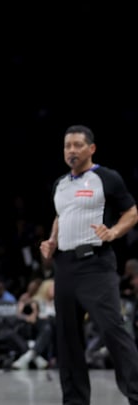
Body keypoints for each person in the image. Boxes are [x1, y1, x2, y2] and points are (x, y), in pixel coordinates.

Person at [39, 124, 138, 404]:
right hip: (65, 267)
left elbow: (132, 211)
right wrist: (52, 240)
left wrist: (114, 232)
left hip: (96, 264)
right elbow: (62, 215)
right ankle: (75, 401)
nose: (71, 150)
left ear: (91, 148)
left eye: (77, 145)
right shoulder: (60, 184)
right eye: (67, 145)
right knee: (68, 339)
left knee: (112, 329)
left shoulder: (106, 178)